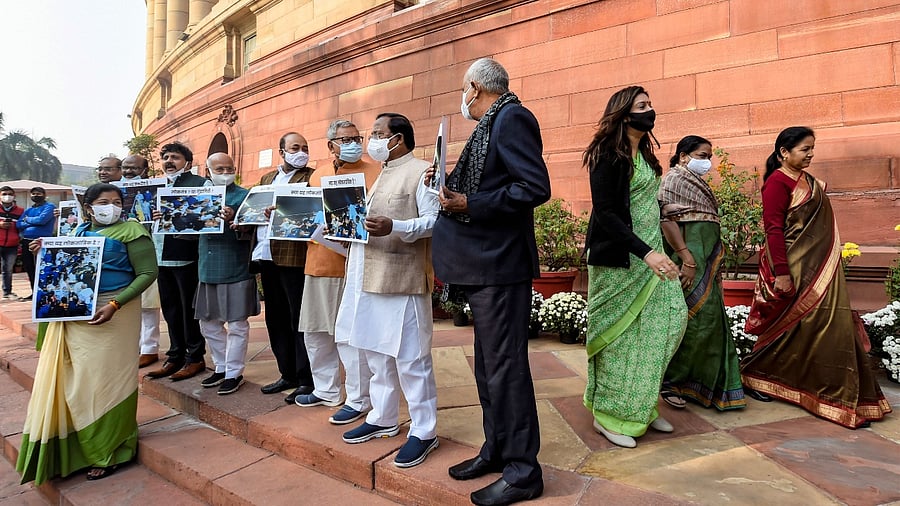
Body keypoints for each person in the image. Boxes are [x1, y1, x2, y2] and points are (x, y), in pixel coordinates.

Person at [431, 58, 549, 505]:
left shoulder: (513, 117)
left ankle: (523, 472)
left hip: (499, 267)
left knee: (506, 370)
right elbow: (490, 182)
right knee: (488, 368)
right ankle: (497, 449)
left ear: (476, 87)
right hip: (483, 267)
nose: (463, 98)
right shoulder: (491, 125)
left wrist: (469, 204)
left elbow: (534, 187)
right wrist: (446, 182)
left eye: (464, 90)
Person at [741, 126, 891, 429]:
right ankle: (758, 375)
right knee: (794, 328)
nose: (811, 154)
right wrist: (781, 273)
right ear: (784, 152)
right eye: (805, 149)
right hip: (794, 270)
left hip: (822, 269)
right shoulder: (777, 183)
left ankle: (836, 395)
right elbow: (773, 231)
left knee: (822, 328)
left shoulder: (808, 181)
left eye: (812, 148)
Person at [17, 182, 158, 483]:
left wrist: (116, 304)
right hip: (77, 312)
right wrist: (46, 250)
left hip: (115, 312)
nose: (112, 206)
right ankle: (79, 446)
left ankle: (111, 449)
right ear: (89, 207)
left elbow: (148, 273)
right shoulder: (77, 233)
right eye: (104, 201)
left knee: (107, 381)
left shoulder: (133, 232)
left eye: (117, 201)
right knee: (78, 380)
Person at [582, 85, 687, 449]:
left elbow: (643, 203)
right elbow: (607, 214)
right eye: (642, 105)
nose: (650, 110)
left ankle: (641, 402)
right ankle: (609, 415)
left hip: (651, 254)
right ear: (623, 113)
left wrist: (666, 224)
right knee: (621, 339)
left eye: (650, 104)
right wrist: (647, 253)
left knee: (669, 323)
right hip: (622, 259)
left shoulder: (643, 154)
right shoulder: (606, 155)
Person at [335, 113, 440, 469]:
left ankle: (425, 430)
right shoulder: (380, 174)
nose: (371, 141)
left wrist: (394, 226)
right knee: (376, 352)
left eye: (378, 134)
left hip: (403, 278)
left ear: (398, 138)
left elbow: (433, 222)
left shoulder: (422, 170)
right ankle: (383, 416)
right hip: (366, 275)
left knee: (411, 358)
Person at [293, 119, 380, 426]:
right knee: (316, 331)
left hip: (356, 266)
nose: (353, 143)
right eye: (345, 139)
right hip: (319, 262)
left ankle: (360, 397)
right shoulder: (318, 174)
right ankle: (326, 389)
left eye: (356, 137)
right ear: (330, 145)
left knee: (352, 336)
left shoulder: (376, 172)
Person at [657, 135, 746, 411]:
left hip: (706, 264)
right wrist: (687, 259)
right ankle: (672, 382)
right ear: (683, 156)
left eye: (709, 156)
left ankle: (705, 385)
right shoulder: (673, 180)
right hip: (688, 266)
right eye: (701, 155)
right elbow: (667, 221)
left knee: (710, 324)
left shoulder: (697, 184)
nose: (707, 161)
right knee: (691, 323)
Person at [255, 132, 316, 404]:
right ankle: (286, 373)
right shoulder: (267, 179)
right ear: (281, 151)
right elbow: (254, 210)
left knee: (298, 319)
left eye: (304, 147)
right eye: (295, 147)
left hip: (295, 258)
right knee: (275, 318)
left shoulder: (312, 177)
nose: (301, 152)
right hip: (267, 256)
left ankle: (306, 379)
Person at [194, 153, 259, 395]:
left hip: (236, 266)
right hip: (207, 267)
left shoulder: (245, 196)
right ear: (208, 171)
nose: (224, 172)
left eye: (229, 168)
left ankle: (234, 372)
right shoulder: (198, 195)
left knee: (237, 323)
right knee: (208, 324)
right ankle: (220, 366)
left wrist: (237, 221)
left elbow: (253, 230)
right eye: (219, 168)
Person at [145, 142, 210, 381]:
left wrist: (176, 215)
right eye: (165, 157)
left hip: (185, 255)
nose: (169, 161)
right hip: (160, 255)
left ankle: (195, 357)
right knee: (170, 309)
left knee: (188, 309)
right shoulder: (154, 186)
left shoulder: (201, 184)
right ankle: (175, 356)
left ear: (188, 163)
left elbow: (206, 216)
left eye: (175, 157)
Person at [121, 154, 163, 369]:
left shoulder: (156, 191)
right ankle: (129, 346)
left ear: (145, 170)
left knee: (148, 304)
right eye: (125, 168)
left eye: (134, 168)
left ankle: (149, 348)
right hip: (120, 254)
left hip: (146, 250)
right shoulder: (114, 192)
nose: (128, 172)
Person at [16, 187, 56, 301]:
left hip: (41, 242)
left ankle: (43, 293)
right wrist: (32, 220)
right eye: (33, 194)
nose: (35, 196)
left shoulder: (49, 207)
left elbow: (42, 220)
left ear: (44, 194)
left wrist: (27, 220)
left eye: (38, 193)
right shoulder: (28, 210)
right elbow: (19, 224)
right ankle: (34, 292)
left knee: (41, 268)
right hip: (26, 241)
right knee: (30, 268)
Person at [0, 186, 24, 300]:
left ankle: (7, 291)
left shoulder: (20, 211)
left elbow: (24, 225)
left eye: (10, 194)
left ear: (14, 196)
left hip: (12, 245)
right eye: (4, 194)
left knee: (8, 270)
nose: (7, 196)